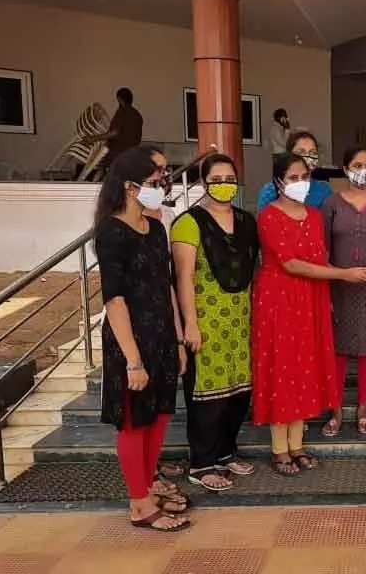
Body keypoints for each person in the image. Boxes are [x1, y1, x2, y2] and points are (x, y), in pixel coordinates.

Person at [252, 152, 366, 475]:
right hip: (279, 299)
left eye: (304, 177)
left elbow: (318, 262)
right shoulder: (268, 216)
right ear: (278, 182)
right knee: (282, 368)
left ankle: (297, 444)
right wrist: (343, 275)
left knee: (303, 367)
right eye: (293, 178)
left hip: (309, 298)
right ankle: (279, 449)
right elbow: (290, 263)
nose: (300, 184)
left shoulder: (315, 217)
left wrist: (345, 274)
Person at [93, 145, 189, 532]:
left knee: (159, 416)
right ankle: (139, 504)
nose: (166, 182)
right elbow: (114, 297)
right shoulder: (111, 231)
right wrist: (132, 359)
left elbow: (165, 286)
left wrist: (179, 340)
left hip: (163, 337)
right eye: (158, 176)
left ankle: (148, 486)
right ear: (132, 186)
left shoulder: (156, 228)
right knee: (133, 423)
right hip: (130, 341)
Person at [172, 153, 259, 492]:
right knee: (207, 396)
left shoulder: (245, 220)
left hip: (240, 322)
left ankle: (225, 452)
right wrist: (189, 324)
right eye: (216, 179)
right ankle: (201, 462)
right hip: (206, 320)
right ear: (203, 182)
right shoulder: (189, 222)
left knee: (238, 392)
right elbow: (183, 275)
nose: (224, 185)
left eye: (229, 178)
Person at [320, 146, 366, 437]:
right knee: (338, 351)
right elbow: (322, 247)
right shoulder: (331, 204)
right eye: (357, 164)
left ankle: (363, 408)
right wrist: (329, 279)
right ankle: (335, 409)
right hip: (338, 284)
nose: (363, 170)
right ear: (345, 168)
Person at [256, 131, 334, 210]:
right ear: (289, 155)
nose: (308, 157)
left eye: (312, 152)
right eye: (301, 152)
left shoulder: (324, 189)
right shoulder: (270, 190)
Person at [89, 87, 144, 172]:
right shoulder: (137, 115)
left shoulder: (122, 112)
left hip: (118, 155)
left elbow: (114, 133)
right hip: (132, 156)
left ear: (119, 99)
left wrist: (94, 138)